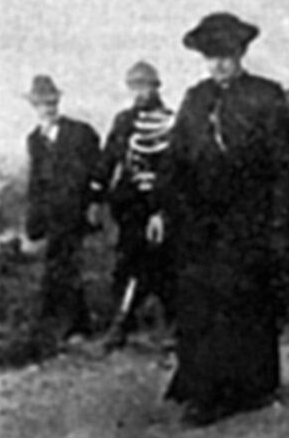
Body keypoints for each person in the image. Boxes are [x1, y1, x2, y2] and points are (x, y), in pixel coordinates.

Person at [159, 12, 289, 426]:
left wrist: (279, 222)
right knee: (201, 303)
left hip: (249, 217)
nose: (218, 64)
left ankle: (250, 387)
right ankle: (203, 387)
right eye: (211, 56)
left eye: (226, 55)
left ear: (241, 54)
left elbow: (283, 165)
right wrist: (162, 208)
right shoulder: (195, 98)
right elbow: (176, 157)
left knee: (245, 301)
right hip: (199, 218)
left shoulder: (265, 95)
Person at [96, 61, 177, 351]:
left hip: (162, 202)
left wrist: (162, 208)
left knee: (165, 264)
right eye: (135, 87)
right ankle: (121, 323)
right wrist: (96, 193)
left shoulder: (172, 121)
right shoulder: (124, 121)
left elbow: (174, 168)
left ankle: (171, 325)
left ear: (156, 87)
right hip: (131, 205)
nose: (140, 92)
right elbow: (109, 157)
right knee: (128, 262)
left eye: (146, 86)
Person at [23, 75, 101, 346]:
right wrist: (33, 222)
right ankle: (61, 323)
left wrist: (94, 202)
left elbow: (97, 171)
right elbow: (36, 182)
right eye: (42, 104)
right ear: (34, 106)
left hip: (75, 210)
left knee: (67, 265)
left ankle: (76, 326)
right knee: (58, 267)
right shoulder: (35, 139)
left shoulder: (79, 133)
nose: (47, 108)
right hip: (51, 213)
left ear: (58, 102)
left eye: (51, 102)